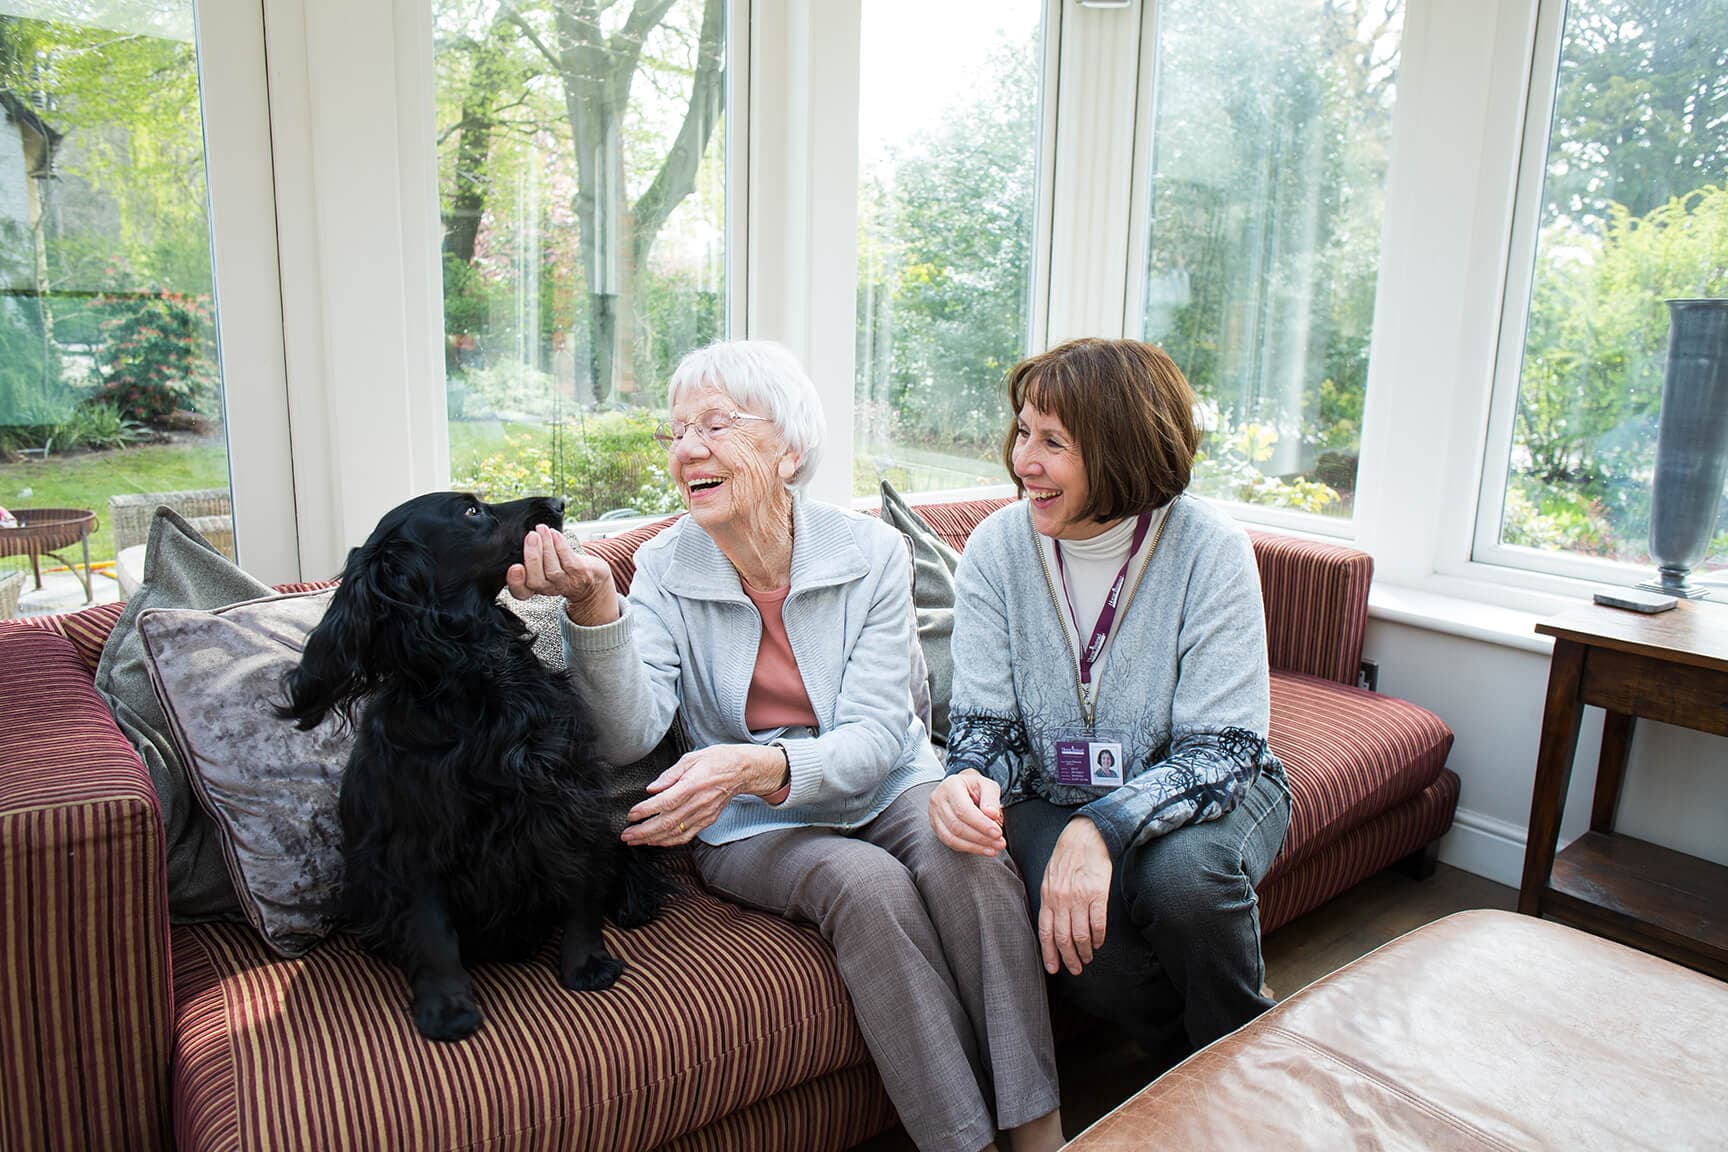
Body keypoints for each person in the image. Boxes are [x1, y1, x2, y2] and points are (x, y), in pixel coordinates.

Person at [509, 340, 1063, 1152]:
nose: (686, 448)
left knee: (973, 861)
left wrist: (759, 762)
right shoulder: (662, 567)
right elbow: (630, 732)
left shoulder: (870, 553)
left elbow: (878, 738)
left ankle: (1042, 1135)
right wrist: (596, 603)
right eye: (675, 432)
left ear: (788, 449)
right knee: (866, 884)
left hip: (885, 781)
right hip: (749, 821)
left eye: (715, 424)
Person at [928, 337, 1291, 1060]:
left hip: (1211, 785)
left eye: (1053, 442)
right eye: (1024, 431)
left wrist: (1100, 827)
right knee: (1083, 950)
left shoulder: (1210, 549)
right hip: (1045, 790)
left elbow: (1222, 751)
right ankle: (1185, 1063)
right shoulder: (997, 550)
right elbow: (985, 729)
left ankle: (1246, 1068)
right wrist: (964, 781)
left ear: (1121, 448)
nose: (1023, 460)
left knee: (1182, 882)